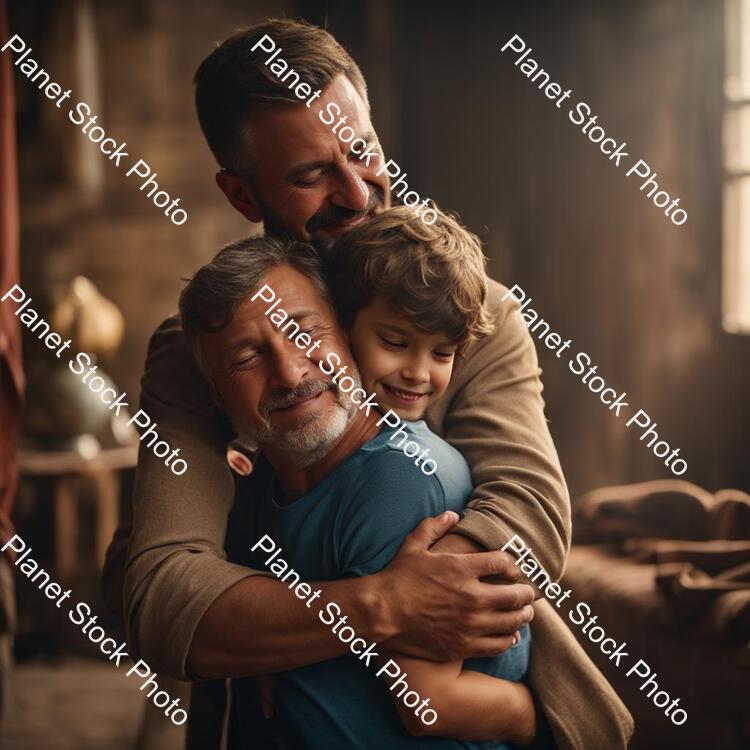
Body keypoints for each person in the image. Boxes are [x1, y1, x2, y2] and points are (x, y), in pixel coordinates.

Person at [104, 18, 633, 748]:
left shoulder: (472, 314)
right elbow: (160, 594)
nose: (357, 193)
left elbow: (530, 507)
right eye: (310, 175)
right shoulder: (198, 348)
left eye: (361, 152)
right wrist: (381, 604)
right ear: (243, 195)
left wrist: (416, 620)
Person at [179, 229, 535, 748]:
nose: (289, 371)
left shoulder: (402, 477)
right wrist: (262, 648)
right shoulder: (257, 484)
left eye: (304, 333)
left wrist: (532, 720)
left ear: (340, 332)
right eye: (246, 357)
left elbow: (428, 706)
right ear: (216, 394)